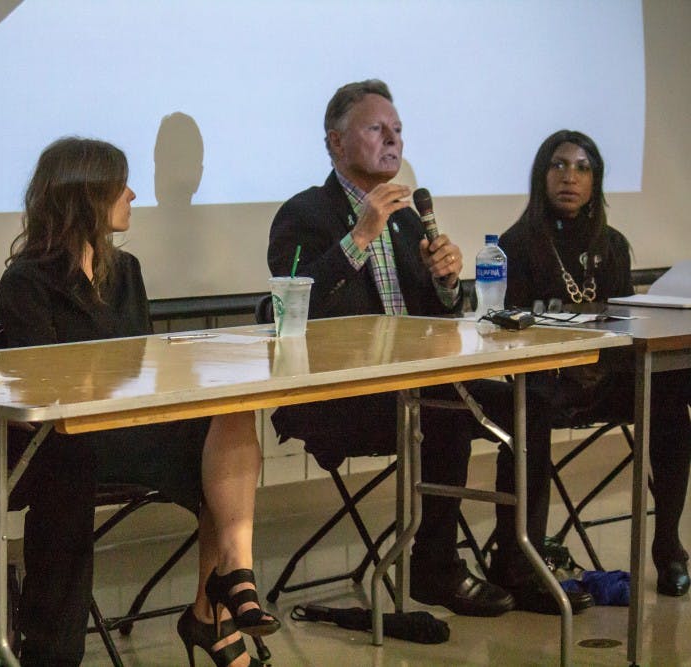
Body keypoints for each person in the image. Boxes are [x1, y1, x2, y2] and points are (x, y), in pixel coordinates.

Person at [267, 80, 592, 616]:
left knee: (528, 401)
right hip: (339, 392)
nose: (393, 140)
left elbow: (435, 323)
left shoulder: (407, 219)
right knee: (447, 409)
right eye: (377, 129)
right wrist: (360, 235)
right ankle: (434, 566)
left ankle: (518, 558)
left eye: (398, 131)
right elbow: (296, 301)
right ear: (336, 142)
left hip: (417, 383)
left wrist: (447, 283)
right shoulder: (304, 214)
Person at [0, 137, 279, 667]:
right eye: (118, 184)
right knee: (76, 471)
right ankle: (214, 609)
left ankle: (228, 582)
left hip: (128, 425)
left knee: (233, 409)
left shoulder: (127, 272)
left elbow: (143, 368)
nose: (132, 194)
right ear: (84, 195)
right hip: (69, 438)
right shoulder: (26, 281)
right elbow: (45, 386)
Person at [500, 129, 691, 597]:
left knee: (669, 396)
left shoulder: (613, 244)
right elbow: (507, 332)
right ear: (542, 175)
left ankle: (667, 546)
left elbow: (622, 322)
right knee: (529, 408)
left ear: (596, 181)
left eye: (583, 168)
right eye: (559, 165)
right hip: (548, 382)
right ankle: (519, 557)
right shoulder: (516, 243)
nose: (570, 177)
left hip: (606, 377)